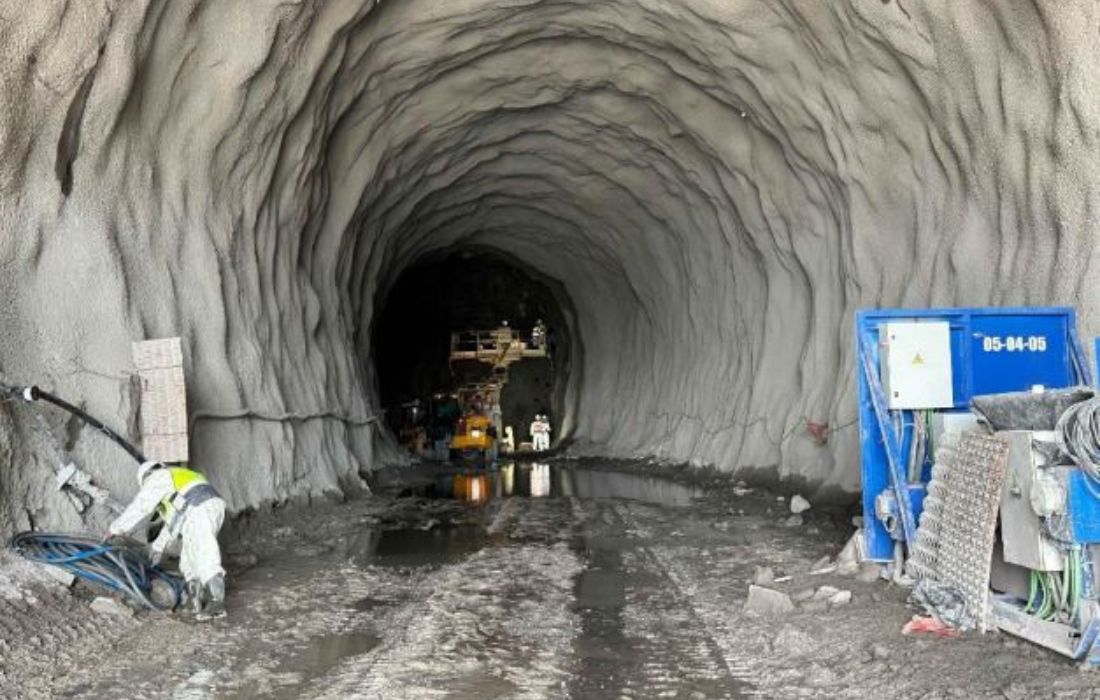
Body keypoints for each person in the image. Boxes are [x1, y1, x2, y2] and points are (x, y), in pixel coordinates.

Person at [108, 461, 227, 621]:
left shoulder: (160, 476)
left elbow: (141, 506)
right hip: (197, 510)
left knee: (205, 553)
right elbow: (173, 524)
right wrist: (158, 548)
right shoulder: (174, 488)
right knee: (188, 560)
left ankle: (217, 604)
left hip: (200, 508)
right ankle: (195, 603)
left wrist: (115, 528)